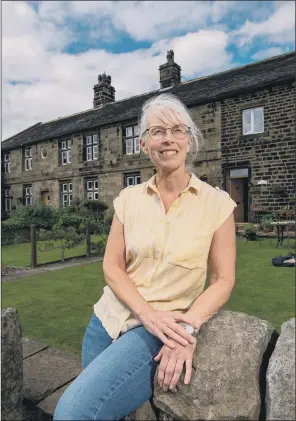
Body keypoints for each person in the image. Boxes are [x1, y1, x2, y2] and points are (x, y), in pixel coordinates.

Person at [54, 93, 237, 421]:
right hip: (105, 321)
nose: (168, 139)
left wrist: (188, 331)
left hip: (155, 333)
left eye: (177, 130)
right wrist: (146, 311)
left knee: (73, 412)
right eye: (157, 131)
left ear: (189, 139)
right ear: (143, 144)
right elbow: (112, 266)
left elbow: (223, 279)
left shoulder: (217, 204)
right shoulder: (128, 198)